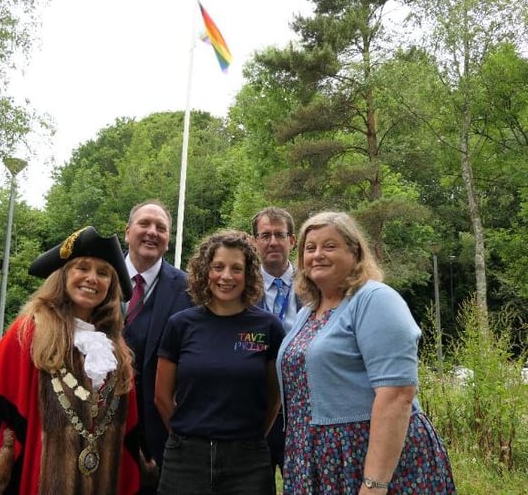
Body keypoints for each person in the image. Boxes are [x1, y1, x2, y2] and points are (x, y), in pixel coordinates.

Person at [0, 226, 144, 495]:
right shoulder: (29, 333)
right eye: (82, 268)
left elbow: (128, 427)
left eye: (103, 273)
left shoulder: (115, 348)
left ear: (111, 286)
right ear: (63, 276)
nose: (91, 278)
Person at [278, 212, 456, 494]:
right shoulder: (309, 311)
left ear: (355, 252)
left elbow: (397, 396)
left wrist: (374, 484)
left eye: (330, 246)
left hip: (368, 460)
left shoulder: (375, 299)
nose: (317, 255)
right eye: (309, 248)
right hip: (314, 458)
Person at [154, 230, 284, 495]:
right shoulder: (180, 325)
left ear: (248, 274)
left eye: (236, 268)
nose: (226, 276)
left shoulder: (268, 326)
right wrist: (187, 436)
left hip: (248, 461)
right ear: (205, 271)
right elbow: (161, 396)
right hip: (185, 461)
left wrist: (250, 437)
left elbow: (275, 397)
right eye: (218, 267)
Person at [122, 200, 193, 491]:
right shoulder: (96, 277)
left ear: (168, 240)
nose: (152, 232)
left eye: (161, 228)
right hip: (98, 430)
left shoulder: (189, 289)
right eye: (144, 224)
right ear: (127, 232)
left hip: (160, 437)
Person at [251, 206, 301, 487]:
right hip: (258, 407)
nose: (272, 242)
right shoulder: (240, 287)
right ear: (255, 240)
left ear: (292, 241)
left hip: (303, 408)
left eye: (279, 235)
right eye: (265, 235)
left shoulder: (315, 285)